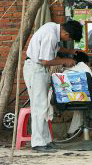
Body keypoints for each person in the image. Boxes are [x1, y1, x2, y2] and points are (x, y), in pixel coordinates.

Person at [23, 21, 83, 153]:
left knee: (43, 106)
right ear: (66, 33)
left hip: (39, 69)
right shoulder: (51, 35)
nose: (68, 40)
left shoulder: (52, 27)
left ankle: (46, 140)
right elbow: (45, 61)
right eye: (70, 38)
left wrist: (70, 51)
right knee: (39, 106)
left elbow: (54, 48)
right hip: (35, 69)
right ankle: (38, 142)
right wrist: (65, 61)